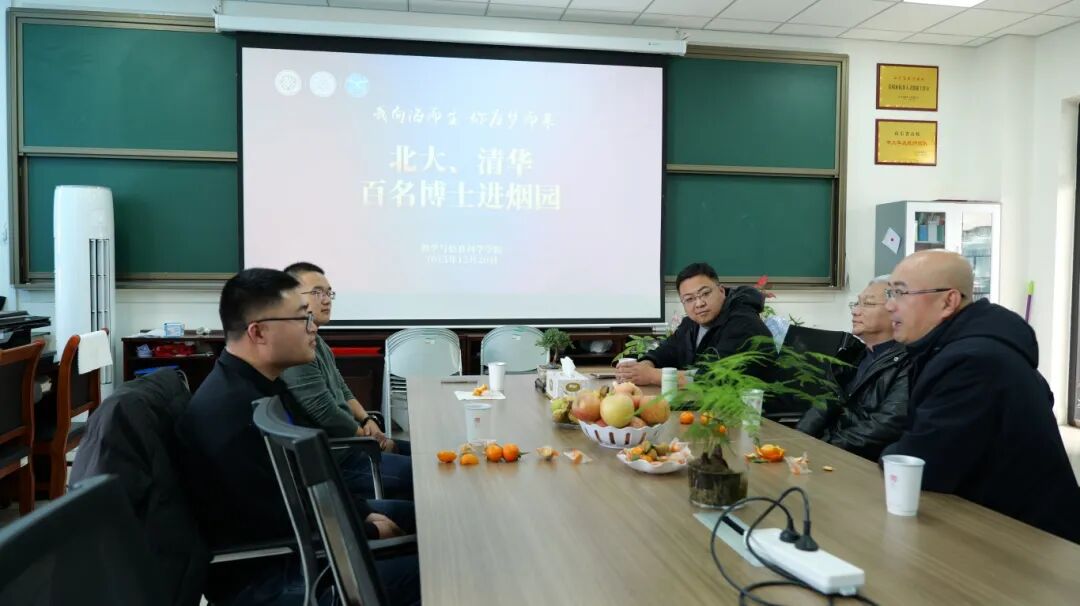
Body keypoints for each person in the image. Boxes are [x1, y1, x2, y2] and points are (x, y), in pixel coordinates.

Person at [175, 268, 420, 605]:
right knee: (441, 566)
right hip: (278, 575)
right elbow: (275, 517)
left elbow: (307, 479)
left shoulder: (262, 386)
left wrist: (361, 510)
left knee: (430, 521)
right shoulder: (230, 414)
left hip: (305, 539)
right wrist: (367, 528)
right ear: (259, 332)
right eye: (302, 318)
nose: (312, 327)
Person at [881, 251, 1080, 544]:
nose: (889, 305)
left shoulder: (973, 362)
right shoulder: (952, 347)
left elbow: (922, 465)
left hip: (1032, 540)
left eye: (900, 292)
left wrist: (889, 452)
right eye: (889, 293)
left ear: (948, 301)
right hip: (989, 520)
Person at [282, 261, 413, 500]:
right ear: (291, 298)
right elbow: (324, 411)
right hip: (338, 457)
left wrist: (367, 419)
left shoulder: (316, 339)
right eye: (317, 293)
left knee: (426, 456)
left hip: (354, 444)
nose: (326, 300)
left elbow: (341, 388)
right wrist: (368, 438)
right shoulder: (295, 348)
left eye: (328, 293)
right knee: (421, 474)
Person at [797, 276, 910, 460]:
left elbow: (886, 425)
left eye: (868, 304)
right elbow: (823, 405)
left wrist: (824, 447)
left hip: (863, 463)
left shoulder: (908, 362)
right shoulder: (852, 355)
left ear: (895, 311)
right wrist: (796, 439)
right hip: (832, 454)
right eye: (856, 303)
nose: (855, 311)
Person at [616, 262, 772, 386]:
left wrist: (652, 376)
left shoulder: (743, 322)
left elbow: (714, 378)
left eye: (705, 293)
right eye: (689, 299)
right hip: (711, 404)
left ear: (721, 291)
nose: (699, 303)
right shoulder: (691, 323)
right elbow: (669, 350)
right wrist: (646, 364)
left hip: (756, 410)